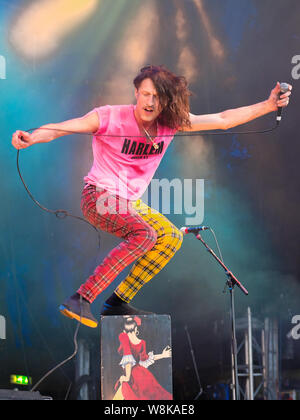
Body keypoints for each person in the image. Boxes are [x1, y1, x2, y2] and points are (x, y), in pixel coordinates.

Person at [12, 65, 292, 328]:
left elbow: (223, 120)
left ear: (166, 100)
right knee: (145, 235)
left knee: (171, 237)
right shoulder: (109, 116)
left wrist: (268, 106)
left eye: (157, 97)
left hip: (129, 203)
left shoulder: (170, 124)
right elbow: (61, 128)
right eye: (145, 94)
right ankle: (82, 298)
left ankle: (117, 302)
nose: (150, 102)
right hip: (98, 196)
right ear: (136, 93)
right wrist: (32, 137)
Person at [113, 315, 172, 400]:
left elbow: (128, 359)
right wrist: (163, 355)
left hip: (132, 375)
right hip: (142, 373)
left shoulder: (123, 337)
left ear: (124, 331)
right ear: (136, 329)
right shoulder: (142, 343)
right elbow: (145, 359)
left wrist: (127, 377)